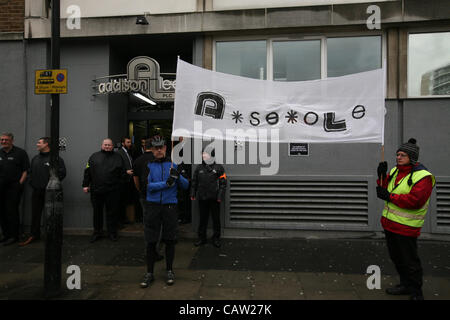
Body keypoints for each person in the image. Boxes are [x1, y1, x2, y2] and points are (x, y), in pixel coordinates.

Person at [376, 138, 435, 300]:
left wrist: (389, 196)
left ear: (412, 157)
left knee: (410, 262)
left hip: (406, 227)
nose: (398, 157)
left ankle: (417, 293)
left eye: (403, 155)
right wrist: (381, 176)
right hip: (390, 224)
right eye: (398, 154)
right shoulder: (396, 171)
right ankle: (405, 285)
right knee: (397, 258)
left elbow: (415, 201)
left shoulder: (423, 176)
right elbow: (385, 187)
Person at [140, 135, 189, 288]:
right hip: (153, 206)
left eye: (161, 147)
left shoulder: (174, 164)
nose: (159, 150)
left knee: (170, 240)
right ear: (152, 149)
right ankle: (149, 273)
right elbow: (147, 186)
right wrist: (166, 183)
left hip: (170, 207)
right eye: (156, 148)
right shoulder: (148, 165)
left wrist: (177, 175)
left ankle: (169, 270)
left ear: (166, 148)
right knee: (151, 240)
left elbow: (186, 186)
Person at [19, 137, 66, 246]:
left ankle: (52, 236)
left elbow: (62, 173)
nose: (37, 144)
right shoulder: (35, 158)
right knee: (35, 214)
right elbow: (30, 173)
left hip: (51, 192)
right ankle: (34, 235)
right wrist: (32, 183)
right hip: (37, 191)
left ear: (46, 144)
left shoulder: (55, 158)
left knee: (51, 215)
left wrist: (52, 185)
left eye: (39, 143)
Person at [82, 138, 126, 243]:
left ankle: (112, 233)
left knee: (112, 213)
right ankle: (97, 233)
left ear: (112, 146)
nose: (107, 146)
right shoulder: (93, 157)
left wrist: (119, 184)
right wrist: (85, 185)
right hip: (97, 190)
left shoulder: (118, 157)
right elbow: (87, 171)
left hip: (113, 191)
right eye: (105, 145)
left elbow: (123, 173)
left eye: (109, 145)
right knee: (97, 213)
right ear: (102, 145)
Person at [133, 138, 163, 261]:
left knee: (148, 224)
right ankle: (155, 249)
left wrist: (141, 191)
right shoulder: (159, 159)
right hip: (158, 196)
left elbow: (135, 180)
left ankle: (149, 249)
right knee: (158, 224)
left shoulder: (138, 160)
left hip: (145, 196)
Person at [190, 151, 227, 248]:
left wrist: (220, 196)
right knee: (202, 219)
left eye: (205, 153)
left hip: (214, 199)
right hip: (202, 198)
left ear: (211, 155)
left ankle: (216, 238)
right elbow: (194, 182)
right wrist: (193, 193)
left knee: (216, 219)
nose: (203, 155)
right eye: (202, 153)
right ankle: (202, 238)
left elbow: (223, 183)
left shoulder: (219, 168)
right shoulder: (199, 168)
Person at [0, 133, 30, 246]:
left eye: (6, 140)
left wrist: (19, 184)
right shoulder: (0, 152)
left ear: (12, 141)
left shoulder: (20, 153)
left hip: (14, 188)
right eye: (2, 140)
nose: (3, 142)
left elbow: (25, 170)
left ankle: (14, 236)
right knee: (2, 212)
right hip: (1, 187)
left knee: (11, 211)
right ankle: (5, 235)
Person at [116, 137, 135, 224]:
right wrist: (125, 171)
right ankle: (121, 221)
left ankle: (127, 219)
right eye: (128, 142)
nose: (130, 144)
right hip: (122, 181)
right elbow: (117, 167)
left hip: (129, 180)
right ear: (123, 143)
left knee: (128, 200)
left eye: (130, 142)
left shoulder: (128, 152)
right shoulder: (119, 153)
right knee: (121, 202)